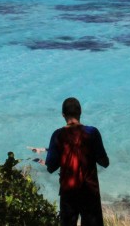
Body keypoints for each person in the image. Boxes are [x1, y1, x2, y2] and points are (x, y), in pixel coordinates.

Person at [46, 97, 110, 226]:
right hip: (89, 191)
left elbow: (50, 167)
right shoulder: (92, 133)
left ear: (63, 115)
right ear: (80, 112)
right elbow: (105, 162)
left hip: (68, 192)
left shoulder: (57, 135)